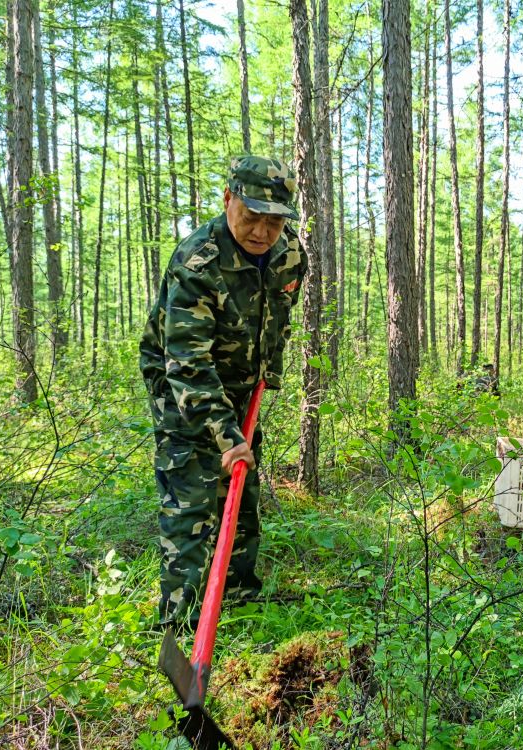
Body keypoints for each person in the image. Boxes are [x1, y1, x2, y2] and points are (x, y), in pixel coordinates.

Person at [139, 155, 306, 629]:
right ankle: (179, 622)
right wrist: (225, 435)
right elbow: (188, 363)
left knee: (241, 493)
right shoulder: (198, 263)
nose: (261, 230)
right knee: (192, 498)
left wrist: (267, 371)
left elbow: (279, 314)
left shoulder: (290, 254)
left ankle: (237, 602)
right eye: (251, 215)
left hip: (239, 385)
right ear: (228, 200)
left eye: (273, 221)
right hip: (181, 385)